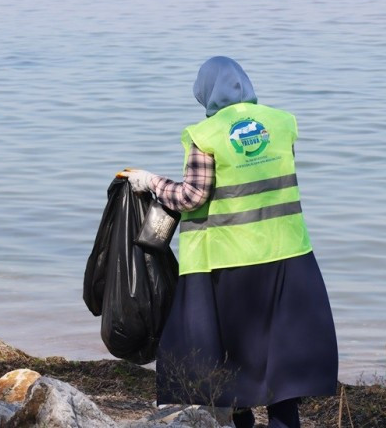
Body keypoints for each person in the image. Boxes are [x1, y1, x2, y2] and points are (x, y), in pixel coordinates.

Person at [120, 56, 338, 428]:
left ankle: (244, 423)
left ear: (205, 92)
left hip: (229, 261)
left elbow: (192, 196)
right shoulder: (281, 123)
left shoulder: (205, 134)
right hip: (289, 256)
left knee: (232, 358)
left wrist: (148, 181)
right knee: (279, 357)